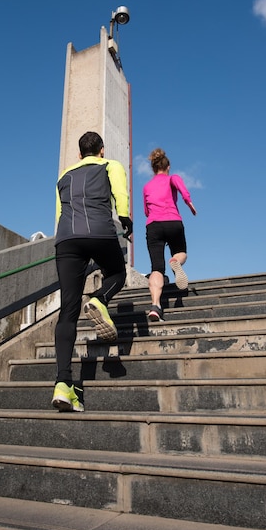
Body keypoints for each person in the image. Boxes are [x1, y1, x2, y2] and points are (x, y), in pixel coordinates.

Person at [51, 131, 133, 412]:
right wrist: (125, 219)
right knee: (117, 273)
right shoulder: (110, 165)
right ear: (101, 150)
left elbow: (60, 213)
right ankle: (99, 300)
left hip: (66, 239)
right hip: (99, 231)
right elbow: (121, 195)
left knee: (68, 311)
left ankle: (63, 384)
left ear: (78, 154)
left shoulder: (63, 176)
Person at [143, 148, 196, 322]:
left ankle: (155, 306)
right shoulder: (173, 178)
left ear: (153, 168)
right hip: (173, 221)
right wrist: (189, 203)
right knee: (181, 252)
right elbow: (182, 190)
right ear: (168, 166)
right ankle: (176, 262)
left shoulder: (147, 186)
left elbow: (146, 211)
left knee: (157, 268)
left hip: (154, 226)